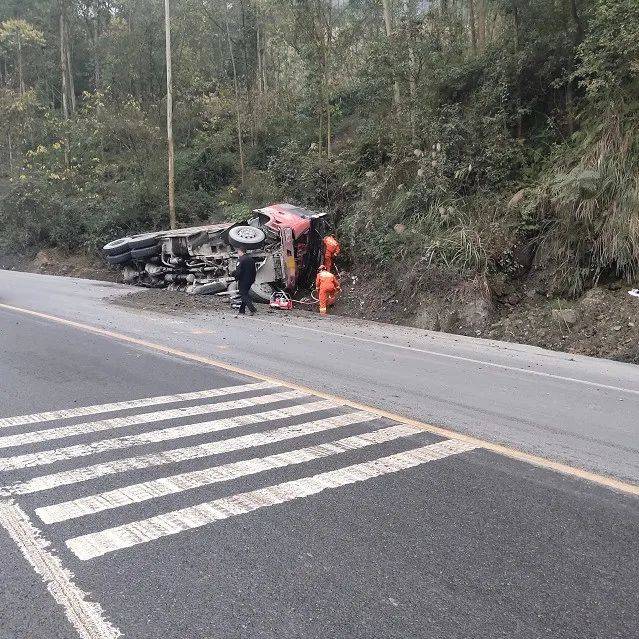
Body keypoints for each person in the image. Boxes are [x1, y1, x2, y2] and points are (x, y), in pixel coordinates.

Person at [233, 247, 257, 316]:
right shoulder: (251, 259)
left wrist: (236, 278)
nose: (238, 254)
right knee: (245, 293)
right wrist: (253, 279)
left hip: (243, 280)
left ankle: (252, 309)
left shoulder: (240, 259)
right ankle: (242, 310)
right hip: (250, 280)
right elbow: (254, 270)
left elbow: (238, 271)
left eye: (238, 252)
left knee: (243, 294)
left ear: (240, 252)